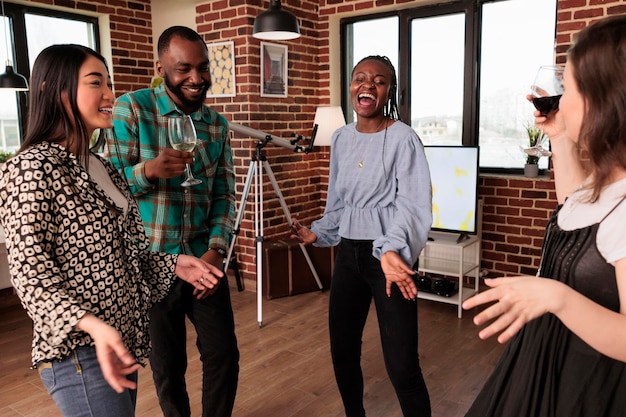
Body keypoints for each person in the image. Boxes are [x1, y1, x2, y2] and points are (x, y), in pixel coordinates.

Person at [0, 44, 223, 417]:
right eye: (95, 83)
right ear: (56, 91)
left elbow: (127, 257)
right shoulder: (32, 167)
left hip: (119, 343)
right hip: (80, 351)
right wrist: (96, 328)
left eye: (109, 83)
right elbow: (31, 276)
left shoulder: (101, 166)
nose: (109, 95)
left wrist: (175, 264)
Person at [462, 15, 626, 417]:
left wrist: (555, 295)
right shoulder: (606, 183)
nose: (558, 97)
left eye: (567, 87)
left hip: (586, 388)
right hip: (544, 363)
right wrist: (557, 136)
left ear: (601, 99)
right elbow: (576, 210)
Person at [106, 26, 239, 417]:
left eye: (202, 68)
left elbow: (224, 195)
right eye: (184, 69)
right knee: (168, 369)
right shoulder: (131, 109)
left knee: (224, 357)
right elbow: (109, 189)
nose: (196, 78)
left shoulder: (216, 124)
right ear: (160, 67)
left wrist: (216, 250)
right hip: (152, 263)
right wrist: (148, 171)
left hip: (202, 259)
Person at [291, 55, 433, 417]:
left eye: (379, 80)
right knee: (342, 351)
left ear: (389, 91)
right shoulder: (340, 138)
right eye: (360, 78)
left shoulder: (404, 138)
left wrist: (391, 250)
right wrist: (318, 233)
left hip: (390, 260)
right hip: (349, 257)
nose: (368, 85)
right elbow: (338, 203)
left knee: (402, 363)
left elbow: (413, 207)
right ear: (351, 86)